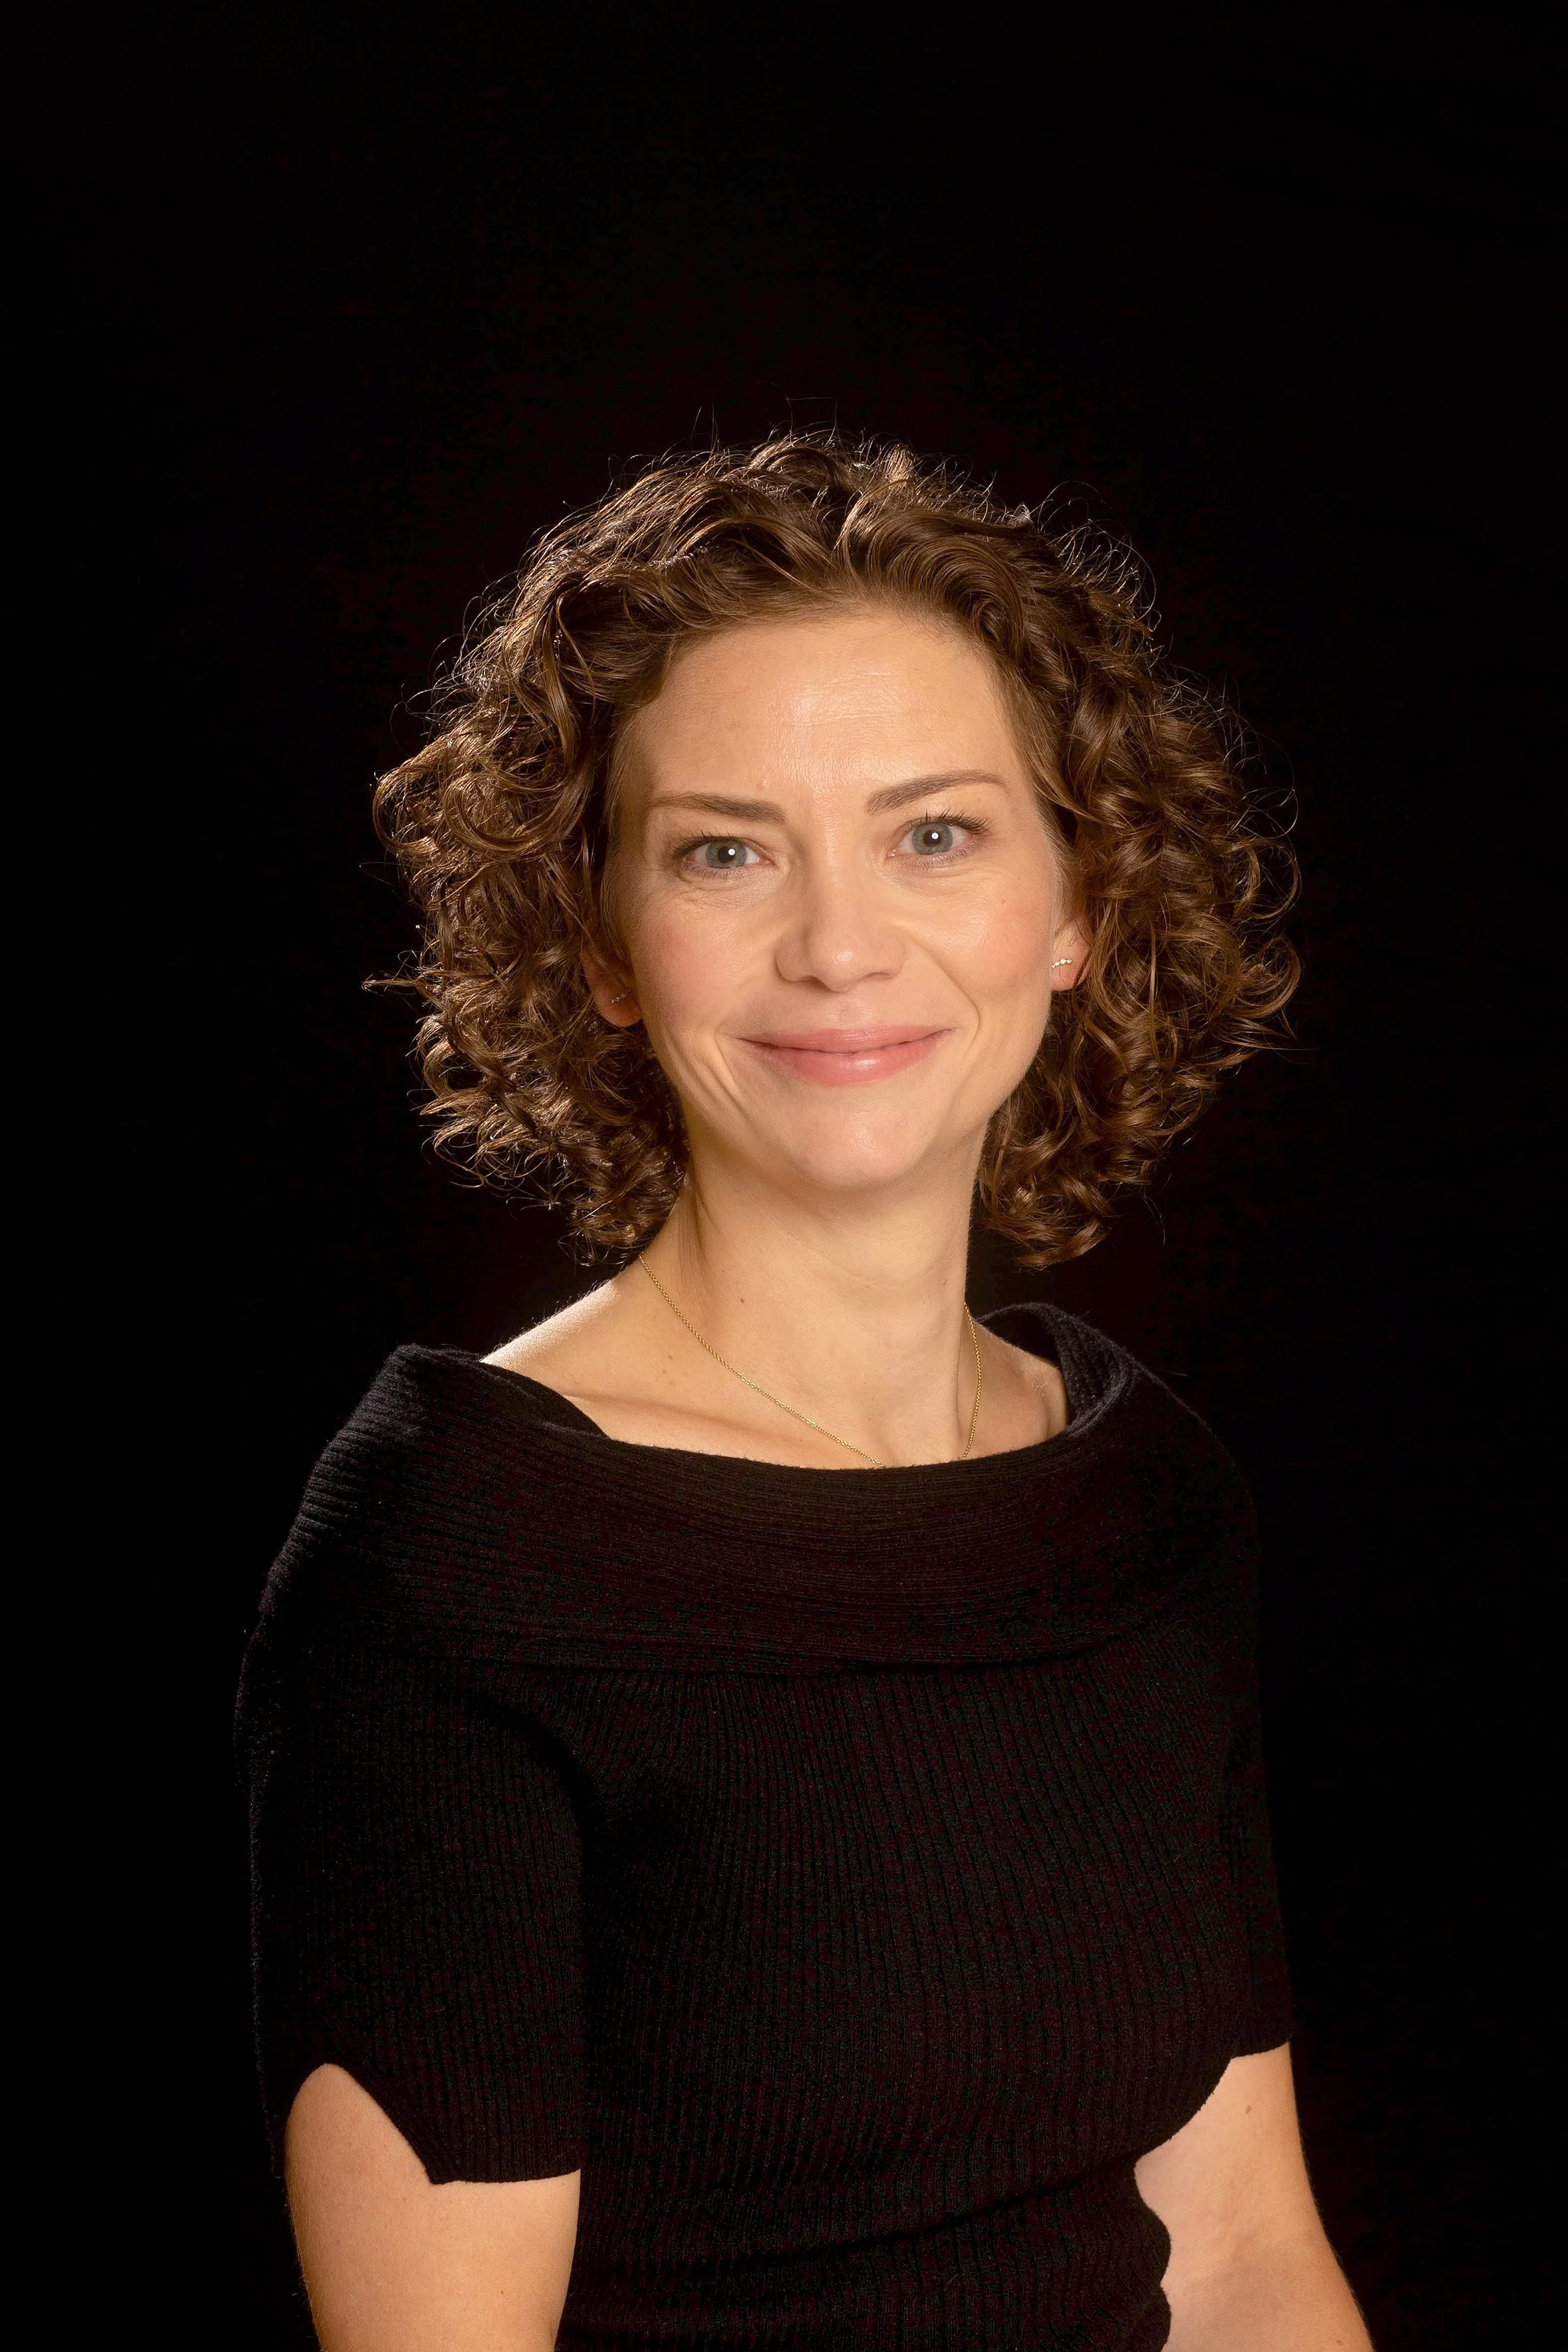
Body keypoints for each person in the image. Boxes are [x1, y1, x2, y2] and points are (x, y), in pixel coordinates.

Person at [239, 434, 1372, 2349]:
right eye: (725, 849)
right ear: (603, 945)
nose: (841, 945)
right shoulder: (456, 1558)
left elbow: (1247, 2254)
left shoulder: (1144, 1503)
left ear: (1080, 905)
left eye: (936, 834)